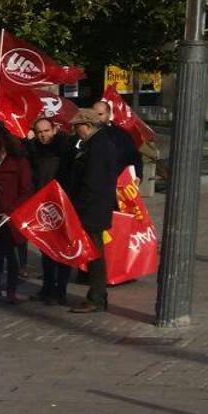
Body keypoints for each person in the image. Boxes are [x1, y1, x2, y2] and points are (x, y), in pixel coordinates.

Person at [65, 109, 120, 313]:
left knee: (95, 255)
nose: (75, 130)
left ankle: (97, 297)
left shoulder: (98, 147)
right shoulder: (97, 144)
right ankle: (96, 296)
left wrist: (79, 208)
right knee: (94, 253)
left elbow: (93, 182)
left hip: (92, 209)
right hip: (94, 208)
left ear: (87, 126)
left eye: (77, 127)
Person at [28, 116, 75, 305]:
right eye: (39, 132)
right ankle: (47, 288)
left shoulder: (65, 148)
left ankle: (60, 291)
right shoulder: (35, 149)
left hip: (62, 204)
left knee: (62, 249)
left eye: (46, 131)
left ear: (54, 130)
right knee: (46, 250)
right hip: (43, 205)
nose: (43, 135)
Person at [0, 129, 34, 305]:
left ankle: (11, 291)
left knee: (11, 255)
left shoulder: (19, 162)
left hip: (10, 217)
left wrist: (11, 211)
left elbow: (26, 191)